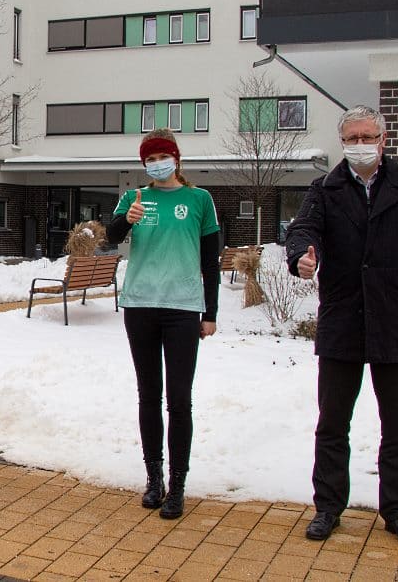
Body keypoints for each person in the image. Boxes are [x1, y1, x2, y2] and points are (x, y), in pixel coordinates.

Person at [286, 105, 398, 550]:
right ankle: (328, 507)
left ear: (384, 138)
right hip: (343, 319)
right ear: (343, 141)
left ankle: (397, 509)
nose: (360, 144)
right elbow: (303, 229)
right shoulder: (326, 187)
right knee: (332, 422)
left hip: (397, 321)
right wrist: (302, 254)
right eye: (352, 137)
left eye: (367, 136)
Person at [106, 129, 220, 519]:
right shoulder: (134, 197)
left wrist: (211, 313)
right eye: (149, 159)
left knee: (179, 400)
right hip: (140, 305)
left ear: (176, 158)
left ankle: (178, 484)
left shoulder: (200, 200)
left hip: (183, 309)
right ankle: (154, 478)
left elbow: (211, 261)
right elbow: (109, 240)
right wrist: (126, 220)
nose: (157, 164)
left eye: (162, 156)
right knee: (148, 396)